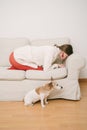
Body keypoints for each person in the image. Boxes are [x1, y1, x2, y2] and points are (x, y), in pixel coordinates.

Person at [9, 44, 73, 71]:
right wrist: (57, 65)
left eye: (66, 57)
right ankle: (16, 66)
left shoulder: (55, 51)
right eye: (65, 55)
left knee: (39, 67)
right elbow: (46, 69)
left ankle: (16, 67)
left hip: (15, 54)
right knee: (40, 69)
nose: (64, 58)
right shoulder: (52, 51)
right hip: (16, 58)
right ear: (63, 51)